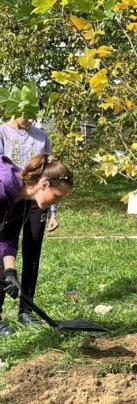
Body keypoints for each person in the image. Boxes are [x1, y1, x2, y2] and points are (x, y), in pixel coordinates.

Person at [0, 153, 73, 336]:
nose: (56, 203)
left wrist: (10, 271)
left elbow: (7, 236)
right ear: (45, 185)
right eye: (57, 196)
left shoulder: (23, 199)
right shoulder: (3, 187)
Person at [0, 115, 58, 331]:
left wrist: (9, 272)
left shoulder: (41, 136)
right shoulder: (3, 132)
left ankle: (26, 310)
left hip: (30, 196)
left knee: (29, 252)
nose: (31, 119)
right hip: (14, 193)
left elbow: (6, 237)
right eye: (27, 114)